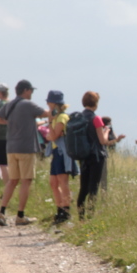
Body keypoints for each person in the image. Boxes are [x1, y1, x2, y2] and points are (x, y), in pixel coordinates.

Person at [0, 79, 49, 226]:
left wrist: (9, 122)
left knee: (12, 181)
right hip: (26, 148)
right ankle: (20, 215)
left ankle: (2, 212)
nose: (32, 93)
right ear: (25, 90)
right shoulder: (28, 104)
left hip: (11, 147)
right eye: (31, 90)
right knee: (26, 181)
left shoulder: (9, 104)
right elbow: (47, 113)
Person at [76, 91, 119, 220]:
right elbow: (103, 141)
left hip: (83, 155)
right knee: (93, 187)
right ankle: (90, 216)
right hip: (96, 156)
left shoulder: (79, 117)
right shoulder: (96, 119)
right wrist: (106, 131)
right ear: (96, 103)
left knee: (83, 187)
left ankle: (81, 217)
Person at [43, 90, 78, 224]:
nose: (47, 104)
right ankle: (60, 209)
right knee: (53, 183)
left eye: (49, 101)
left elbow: (53, 135)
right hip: (56, 151)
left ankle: (65, 211)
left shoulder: (62, 117)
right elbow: (50, 136)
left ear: (54, 103)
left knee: (63, 181)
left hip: (62, 153)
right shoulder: (57, 117)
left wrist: (50, 123)